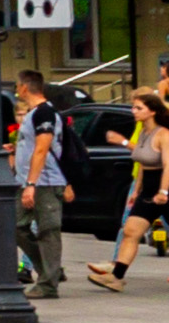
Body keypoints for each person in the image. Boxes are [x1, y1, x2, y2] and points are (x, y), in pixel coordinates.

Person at [79, 79, 143, 292]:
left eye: (138, 106)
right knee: (129, 230)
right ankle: (115, 273)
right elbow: (144, 160)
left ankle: (115, 268)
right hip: (144, 186)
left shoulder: (161, 130)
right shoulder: (144, 128)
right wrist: (137, 187)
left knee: (130, 229)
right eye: (133, 105)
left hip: (160, 189)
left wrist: (122, 141)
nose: (133, 110)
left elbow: (159, 158)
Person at [15, 74, 71, 294]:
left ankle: (48, 284)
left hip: (44, 182)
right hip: (27, 181)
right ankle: (51, 270)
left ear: (25, 87)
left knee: (48, 230)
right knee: (16, 226)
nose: (17, 90)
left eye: (18, 86)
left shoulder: (44, 113)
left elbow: (42, 148)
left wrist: (31, 183)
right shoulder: (33, 114)